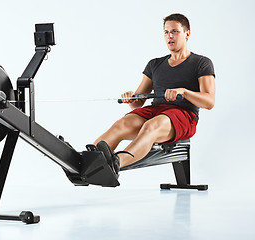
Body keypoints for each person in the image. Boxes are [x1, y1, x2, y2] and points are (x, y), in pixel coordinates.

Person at [91, 13, 215, 176]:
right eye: (166, 32)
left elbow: (209, 101)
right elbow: (138, 102)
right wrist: (132, 97)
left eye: (175, 31)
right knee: (121, 124)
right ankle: (87, 162)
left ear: (187, 33)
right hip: (155, 111)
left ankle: (116, 163)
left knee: (152, 126)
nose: (169, 36)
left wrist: (183, 92)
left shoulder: (201, 62)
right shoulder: (155, 64)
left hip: (184, 115)